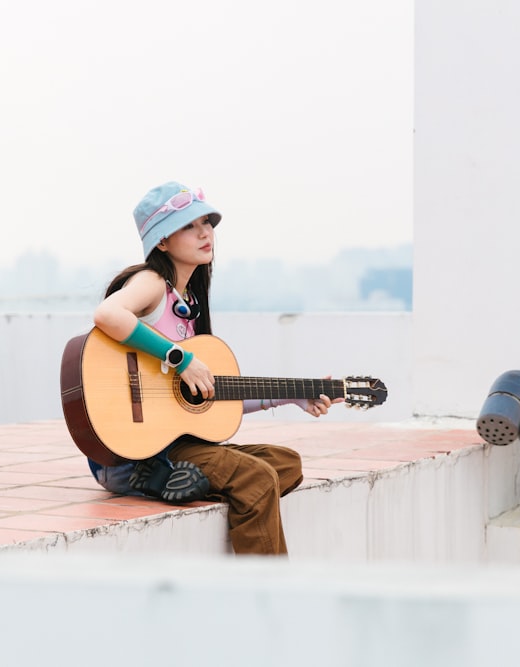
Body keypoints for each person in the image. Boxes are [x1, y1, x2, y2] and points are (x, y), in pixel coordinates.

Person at [86, 181, 341, 556]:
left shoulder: (188, 304)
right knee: (255, 479)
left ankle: (179, 482)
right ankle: (268, 597)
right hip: (133, 453)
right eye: (190, 225)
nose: (206, 232)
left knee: (285, 464)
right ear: (161, 241)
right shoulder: (152, 282)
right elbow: (108, 313)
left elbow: (206, 397)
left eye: (207, 222)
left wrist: (291, 396)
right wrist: (179, 359)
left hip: (174, 445)